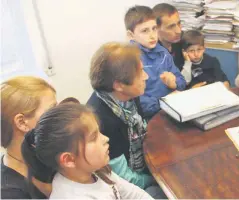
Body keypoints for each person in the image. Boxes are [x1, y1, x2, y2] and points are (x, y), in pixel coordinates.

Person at [21, 103, 153, 199]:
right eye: (94, 137)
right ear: (69, 160)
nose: (106, 139)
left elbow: (135, 194)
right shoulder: (72, 196)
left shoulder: (97, 171)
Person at [86, 42, 166, 198]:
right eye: (141, 73)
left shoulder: (128, 96)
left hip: (142, 166)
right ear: (119, 85)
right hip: (127, 185)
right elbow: (124, 178)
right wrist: (156, 179)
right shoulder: (101, 120)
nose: (146, 77)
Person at [125, 5, 186, 119]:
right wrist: (165, 101)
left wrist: (174, 84)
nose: (152, 35)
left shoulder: (163, 53)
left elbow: (181, 81)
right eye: (145, 31)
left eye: (154, 28)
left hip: (170, 109)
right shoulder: (130, 60)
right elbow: (139, 103)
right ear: (131, 35)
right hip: (149, 118)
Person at [1, 76, 57, 199]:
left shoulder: (47, 156)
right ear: (22, 123)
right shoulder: (9, 193)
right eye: (52, 111)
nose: (60, 117)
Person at [152, 3, 184, 71]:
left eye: (179, 23)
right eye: (171, 27)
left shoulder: (182, 40)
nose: (179, 31)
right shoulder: (152, 54)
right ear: (156, 28)